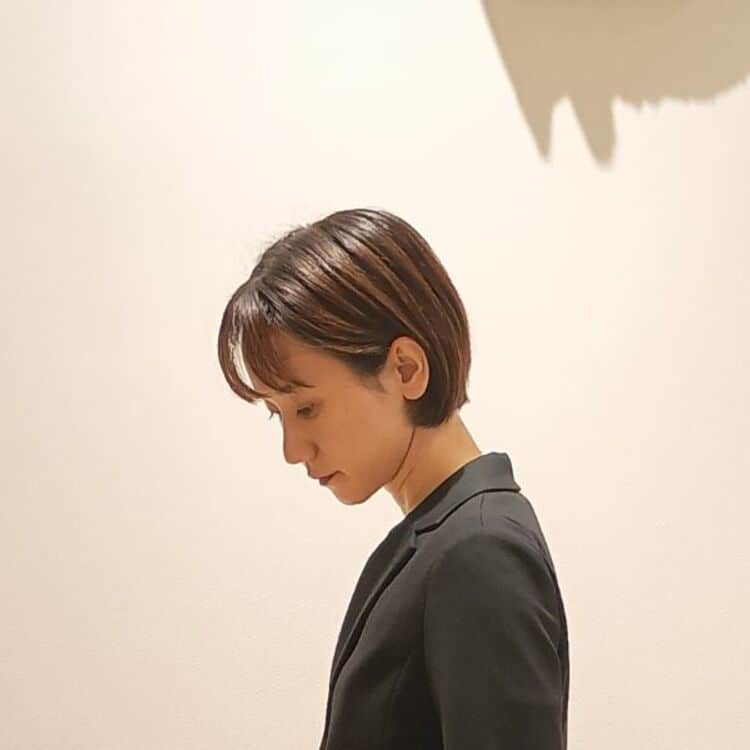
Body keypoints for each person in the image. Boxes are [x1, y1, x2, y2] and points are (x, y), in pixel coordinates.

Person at [217, 207, 569, 749]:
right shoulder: (441, 541)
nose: (292, 450)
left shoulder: (479, 552)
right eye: (275, 414)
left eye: (306, 408)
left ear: (405, 368)